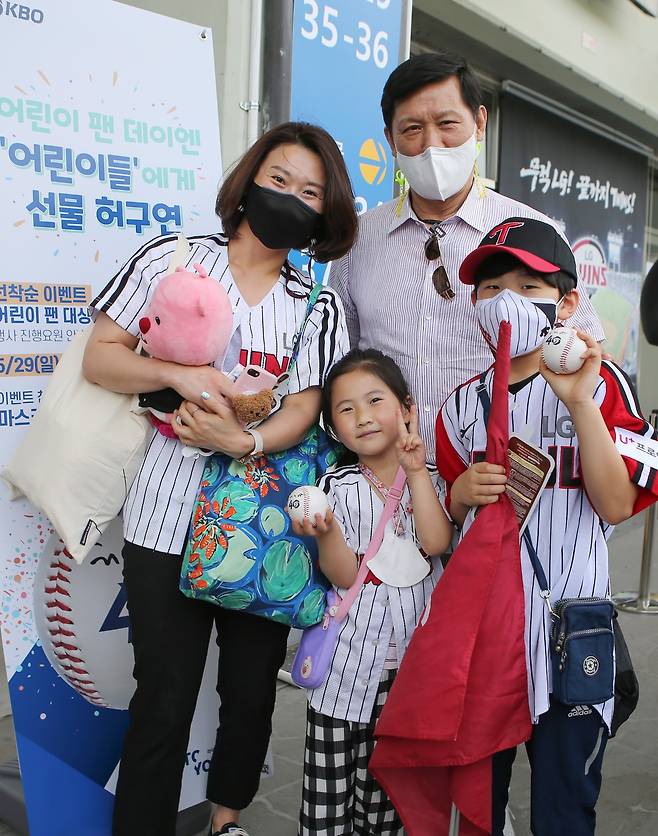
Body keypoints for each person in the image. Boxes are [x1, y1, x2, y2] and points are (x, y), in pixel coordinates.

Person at [83, 121, 358, 836]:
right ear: (248, 179)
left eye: (309, 192)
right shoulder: (174, 261)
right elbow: (102, 357)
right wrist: (178, 373)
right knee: (164, 698)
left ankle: (225, 820)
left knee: (248, 697)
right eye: (278, 180)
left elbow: (305, 405)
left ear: (325, 214)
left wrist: (246, 439)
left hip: (262, 529)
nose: (290, 199)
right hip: (163, 520)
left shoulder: (318, 305)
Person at [435, 216, 658, 835]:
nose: (506, 300)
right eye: (490, 286)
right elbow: (443, 524)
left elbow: (617, 505)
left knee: (565, 809)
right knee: (481, 807)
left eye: (527, 286)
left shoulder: (605, 384)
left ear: (566, 303)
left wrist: (580, 401)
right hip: (490, 639)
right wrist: (458, 493)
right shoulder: (459, 406)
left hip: (574, 628)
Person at [330, 51, 603, 458]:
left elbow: (584, 352)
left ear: (479, 123)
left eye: (447, 124)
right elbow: (342, 359)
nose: (431, 145)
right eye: (412, 129)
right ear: (390, 140)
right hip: (386, 485)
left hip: (494, 483)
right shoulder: (360, 238)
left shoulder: (532, 232)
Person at [289, 348, 453, 836]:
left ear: (406, 409)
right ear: (333, 429)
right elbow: (343, 574)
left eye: (375, 400)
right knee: (326, 801)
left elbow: (435, 541)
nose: (362, 417)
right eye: (345, 409)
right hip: (346, 671)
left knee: (384, 802)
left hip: (408, 674)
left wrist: (419, 472)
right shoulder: (336, 486)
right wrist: (325, 531)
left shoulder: (433, 477)